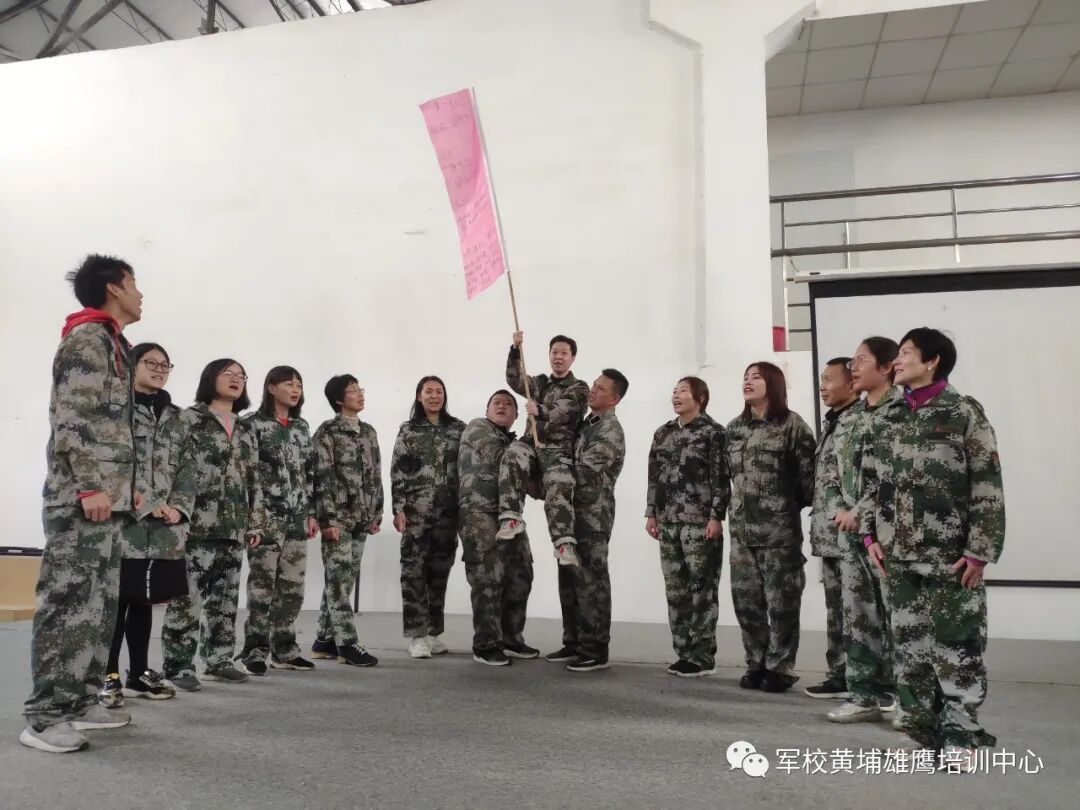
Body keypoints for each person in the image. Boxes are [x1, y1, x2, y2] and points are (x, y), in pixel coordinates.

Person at [851, 328, 1004, 766]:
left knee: (957, 647)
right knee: (910, 647)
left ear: (932, 360)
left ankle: (962, 735)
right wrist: (868, 535)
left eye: (906, 353)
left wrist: (979, 550)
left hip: (949, 555)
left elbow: (987, 484)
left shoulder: (963, 413)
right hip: (896, 554)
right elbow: (871, 483)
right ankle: (921, 731)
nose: (897, 361)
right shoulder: (887, 417)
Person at [21, 255, 144, 754]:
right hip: (81, 500)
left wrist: (125, 487)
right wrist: (91, 485)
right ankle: (45, 717)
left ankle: (81, 701)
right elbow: (73, 419)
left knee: (98, 607)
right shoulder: (88, 339)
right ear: (114, 287)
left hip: (107, 500)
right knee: (70, 605)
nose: (140, 293)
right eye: (134, 283)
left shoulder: (113, 344)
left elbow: (111, 428)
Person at [162, 359, 264, 689]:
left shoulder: (246, 428)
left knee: (225, 600)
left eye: (241, 376)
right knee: (187, 599)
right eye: (228, 374)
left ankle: (218, 660)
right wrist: (175, 512)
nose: (236, 379)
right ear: (210, 378)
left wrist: (255, 523)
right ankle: (178, 665)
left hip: (234, 525)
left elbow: (254, 478)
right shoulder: (188, 419)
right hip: (196, 524)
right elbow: (170, 466)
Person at [100, 343, 191, 708]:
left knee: (145, 598)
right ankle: (108, 675)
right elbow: (111, 462)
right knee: (116, 600)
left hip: (165, 527)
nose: (159, 370)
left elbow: (189, 469)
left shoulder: (177, 417)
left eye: (165, 365)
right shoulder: (115, 408)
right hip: (125, 522)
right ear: (132, 365)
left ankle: (138, 673)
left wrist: (179, 507)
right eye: (151, 363)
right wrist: (148, 501)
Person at [725, 362, 816, 693]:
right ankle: (756, 662)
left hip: (779, 534)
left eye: (756, 377)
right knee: (747, 603)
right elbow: (729, 478)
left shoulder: (793, 426)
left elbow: (809, 480)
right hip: (741, 534)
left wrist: (782, 506)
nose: (747, 382)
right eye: (745, 377)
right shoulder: (734, 428)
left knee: (782, 604)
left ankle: (780, 667)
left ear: (773, 384)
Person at [824, 338, 901, 724]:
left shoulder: (903, 412)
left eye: (861, 360)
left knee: (898, 618)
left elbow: (896, 476)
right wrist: (839, 508)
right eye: (852, 361)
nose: (853, 367)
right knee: (857, 616)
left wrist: (860, 512)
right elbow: (830, 472)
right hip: (850, 534)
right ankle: (863, 694)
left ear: (886, 367)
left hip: (889, 533)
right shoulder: (849, 418)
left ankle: (907, 700)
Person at [646, 376, 729, 678]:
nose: (676, 395)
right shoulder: (663, 433)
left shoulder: (713, 433)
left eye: (683, 391)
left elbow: (721, 479)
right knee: (676, 590)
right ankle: (684, 652)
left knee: (701, 590)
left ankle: (702, 656)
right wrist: (651, 513)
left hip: (700, 523)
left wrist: (716, 517)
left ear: (700, 398)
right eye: (674, 391)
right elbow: (653, 476)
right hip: (668, 522)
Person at [237, 366, 319, 676]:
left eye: (299, 384)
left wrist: (311, 513)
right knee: (262, 587)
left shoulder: (301, 427)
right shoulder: (253, 425)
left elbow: (309, 473)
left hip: (297, 519)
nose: (295, 389)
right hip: (266, 519)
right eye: (289, 384)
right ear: (271, 387)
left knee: (292, 588)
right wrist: (253, 518)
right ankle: (255, 650)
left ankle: (285, 650)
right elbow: (246, 473)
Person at [551, 370, 628, 672]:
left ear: (615, 399)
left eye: (601, 388)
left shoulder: (609, 430)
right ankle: (574, 642)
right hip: (571, 512)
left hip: (593, 515)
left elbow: (583, 472)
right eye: (594, 385)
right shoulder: (587, 424)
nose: (593, 391)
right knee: (569, 578)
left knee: (591, 580)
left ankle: (595, 649)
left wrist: (551, 477)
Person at [458, 390, 537, 666]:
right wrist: (534, 432)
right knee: (487, 578)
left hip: (509, 515)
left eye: (509, 404)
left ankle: (511, 638)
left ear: (516, 415)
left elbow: (531, 480)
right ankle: (486, 645)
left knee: (521, 573)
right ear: (487, 410)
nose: (502, 406)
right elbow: (507, 458)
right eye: (496, 403)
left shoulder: (511, 442)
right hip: (479, 514)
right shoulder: (478, 429)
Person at [497, 333, 590, 566]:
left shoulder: (579, 388)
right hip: (531, 444)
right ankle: (511, 517)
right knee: (513, 453)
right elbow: (514, 379)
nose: (558, 357)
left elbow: (566, 409)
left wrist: (540, 410)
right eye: (554, 352)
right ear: (549, 355)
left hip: (558, 450)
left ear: (572, 358)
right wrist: (515, 350)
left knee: (559, 482)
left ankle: (564, 543)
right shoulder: (538, 383)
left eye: (564, 353)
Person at [391, 376, 466, 659]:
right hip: (416, 514)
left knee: (439, 574)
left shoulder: (458, 428)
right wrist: (398, 508)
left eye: (439, 391)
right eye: (429, 391)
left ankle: (433, 632)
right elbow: (398, 470)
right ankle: (417, 635)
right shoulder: (409, 430)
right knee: (413, 574)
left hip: (448, 514)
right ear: (419, 396)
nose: (435, 396)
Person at [311, 374, 381, 667]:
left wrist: (376, 512)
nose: (360, 394)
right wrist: (327, 520)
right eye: (352, 390)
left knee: (343, 581)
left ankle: (323, 640)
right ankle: (347, 644)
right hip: (337, 519)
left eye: (360, 388)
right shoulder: (327, 432)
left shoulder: (369, 431)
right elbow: (322, 477)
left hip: (361, 518)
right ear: (339, 399)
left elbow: (375, 473)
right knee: (339, 582)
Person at [804, 358, 859, 700]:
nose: (822, 386)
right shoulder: (833, 423)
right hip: (829, 536)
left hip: (852, 535)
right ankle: (840, 673)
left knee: (860, 613)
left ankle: (869, 681)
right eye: (821, 379)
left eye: (829, 379)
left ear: (852, 383)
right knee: (836, 610)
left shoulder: (859, 421)